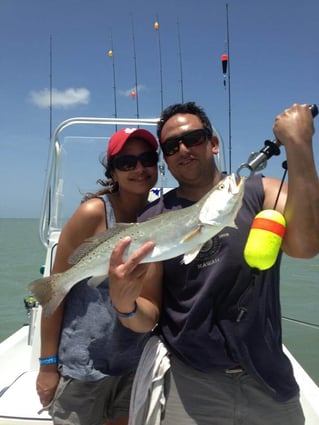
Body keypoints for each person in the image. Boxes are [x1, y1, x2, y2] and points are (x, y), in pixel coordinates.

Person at [108, 102, 319, 425]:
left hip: (268, 378)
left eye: (193, 138)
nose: (183, 149)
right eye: (170, 146)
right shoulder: (153, 219)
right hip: (191, 381)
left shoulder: (260, 191)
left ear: (213, 143)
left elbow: (306, 247)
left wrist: (300, 145)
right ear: (165, 158)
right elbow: (148, 313)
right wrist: (125, 306)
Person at [36, 127, 162, 425]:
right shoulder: (94, 213)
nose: (139, 169)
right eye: (126, 163)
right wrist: (47, 365)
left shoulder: (160, 220)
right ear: (113, 172)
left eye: (147, 159)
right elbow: (55, 291)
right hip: (83, 366)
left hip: (133, 365)